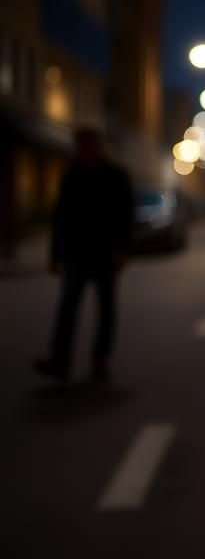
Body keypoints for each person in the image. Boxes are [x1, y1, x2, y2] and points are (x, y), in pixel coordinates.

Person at [33, 127, 134, 382]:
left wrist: (122, 249)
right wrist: (55, 254)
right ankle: (60, 361)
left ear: (99, 147)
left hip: (105, 254)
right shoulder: (73, 175)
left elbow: (125, 216)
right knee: (67, 308)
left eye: (90, 145)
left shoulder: (115, 176)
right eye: (82, 146)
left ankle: (100, 358)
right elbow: (61, 217)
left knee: (106, 308)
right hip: (76, 254)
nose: (86, 151)